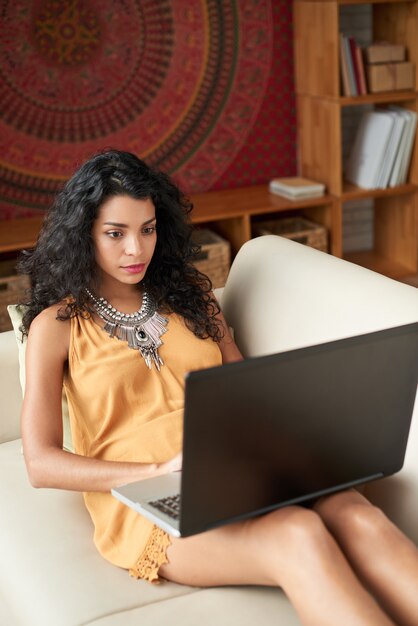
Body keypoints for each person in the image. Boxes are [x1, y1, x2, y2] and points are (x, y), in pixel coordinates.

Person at [19, 149, 418, 626]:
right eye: (115, 233)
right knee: (298, 534)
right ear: (84, 234)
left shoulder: (193, 298)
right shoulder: (56, 326)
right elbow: (40, 463)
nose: (135, 250)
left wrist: (309, 440)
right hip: (148, 501)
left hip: (240, 470)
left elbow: (244, 392)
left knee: (358, 514)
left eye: (147, 229)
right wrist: (157, 470)